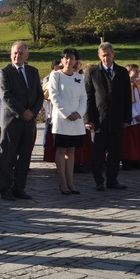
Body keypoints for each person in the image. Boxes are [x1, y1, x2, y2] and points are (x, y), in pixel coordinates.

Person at [0, 41, 44, 201]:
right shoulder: (4, 72)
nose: (17, 56)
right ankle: (6, 188)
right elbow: (6, 95)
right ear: (11, 54)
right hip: (12, 121)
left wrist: (33, 112)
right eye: (15, 53)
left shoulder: (32, 71)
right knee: (8, 156)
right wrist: (22, 112)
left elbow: (39, 95)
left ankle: (19, 188)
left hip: (29, 121)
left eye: (21, 53)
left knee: (25, 156)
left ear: (27, 55)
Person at [84, 42, 132, 191]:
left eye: (108, 55)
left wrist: (126, 119)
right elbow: (88, 97)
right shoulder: (92, 72)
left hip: (116, 120)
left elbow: (126, 97)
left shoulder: (122, 72)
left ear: (113, 54)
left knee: (114, 153)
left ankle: (112, 180)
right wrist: (88, 119)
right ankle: (99, 181)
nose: (106, 58)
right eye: (103, 56)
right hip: (99, 120)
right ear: (99, 56)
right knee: (97, 153)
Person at [48, 48, 86, 195]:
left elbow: (84, 97)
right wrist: (66, 113)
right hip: (62, 119)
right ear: (62, 60)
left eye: (72, 58)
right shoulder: (56, 75)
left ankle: (71, 182)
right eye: (66, 58)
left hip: (76, 120)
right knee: (61, 149)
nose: (69, 61)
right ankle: (63, 182)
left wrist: (79, 112)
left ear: (76, 60)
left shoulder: (79, 78)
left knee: (72, 150)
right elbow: (54, 96)